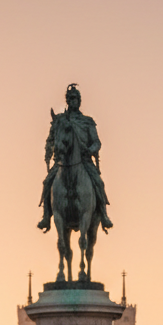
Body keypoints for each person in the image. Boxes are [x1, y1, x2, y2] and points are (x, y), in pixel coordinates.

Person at [37, 84, 113, 232]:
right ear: (67, 101)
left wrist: (89, 150)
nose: (73, 101)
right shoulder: (59, 120)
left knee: (98, 182)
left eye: (75, 99)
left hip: (84, 160)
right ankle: (46, 216)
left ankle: (104, 215)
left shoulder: (87, 121)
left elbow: (97, 142)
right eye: (70, 99)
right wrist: (48, 151)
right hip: (62, 161)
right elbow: (51, 140)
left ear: (79, 101)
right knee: (47, 182)